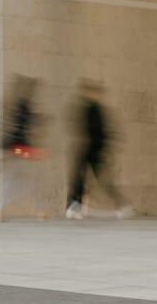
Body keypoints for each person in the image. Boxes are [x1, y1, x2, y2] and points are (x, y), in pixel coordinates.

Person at [65, 79, 131, 219]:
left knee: (94, 180)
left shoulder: (95, 109)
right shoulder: (90, 108)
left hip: (93, 151)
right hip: (90, 151)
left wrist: (102, 148)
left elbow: (100, 132)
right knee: (80, 179)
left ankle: (120, 205)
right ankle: (74, 206)